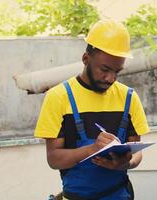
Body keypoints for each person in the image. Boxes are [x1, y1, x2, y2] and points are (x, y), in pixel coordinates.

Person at [34, 19, 150, 200]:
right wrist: (92, 149)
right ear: (86, 59)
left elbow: (136, 153)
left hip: (119, 195)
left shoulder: (129, 97)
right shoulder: (59, 97)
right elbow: (54, 159)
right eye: (104, 69)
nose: (111, 78)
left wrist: (123, 163)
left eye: (117, 71)